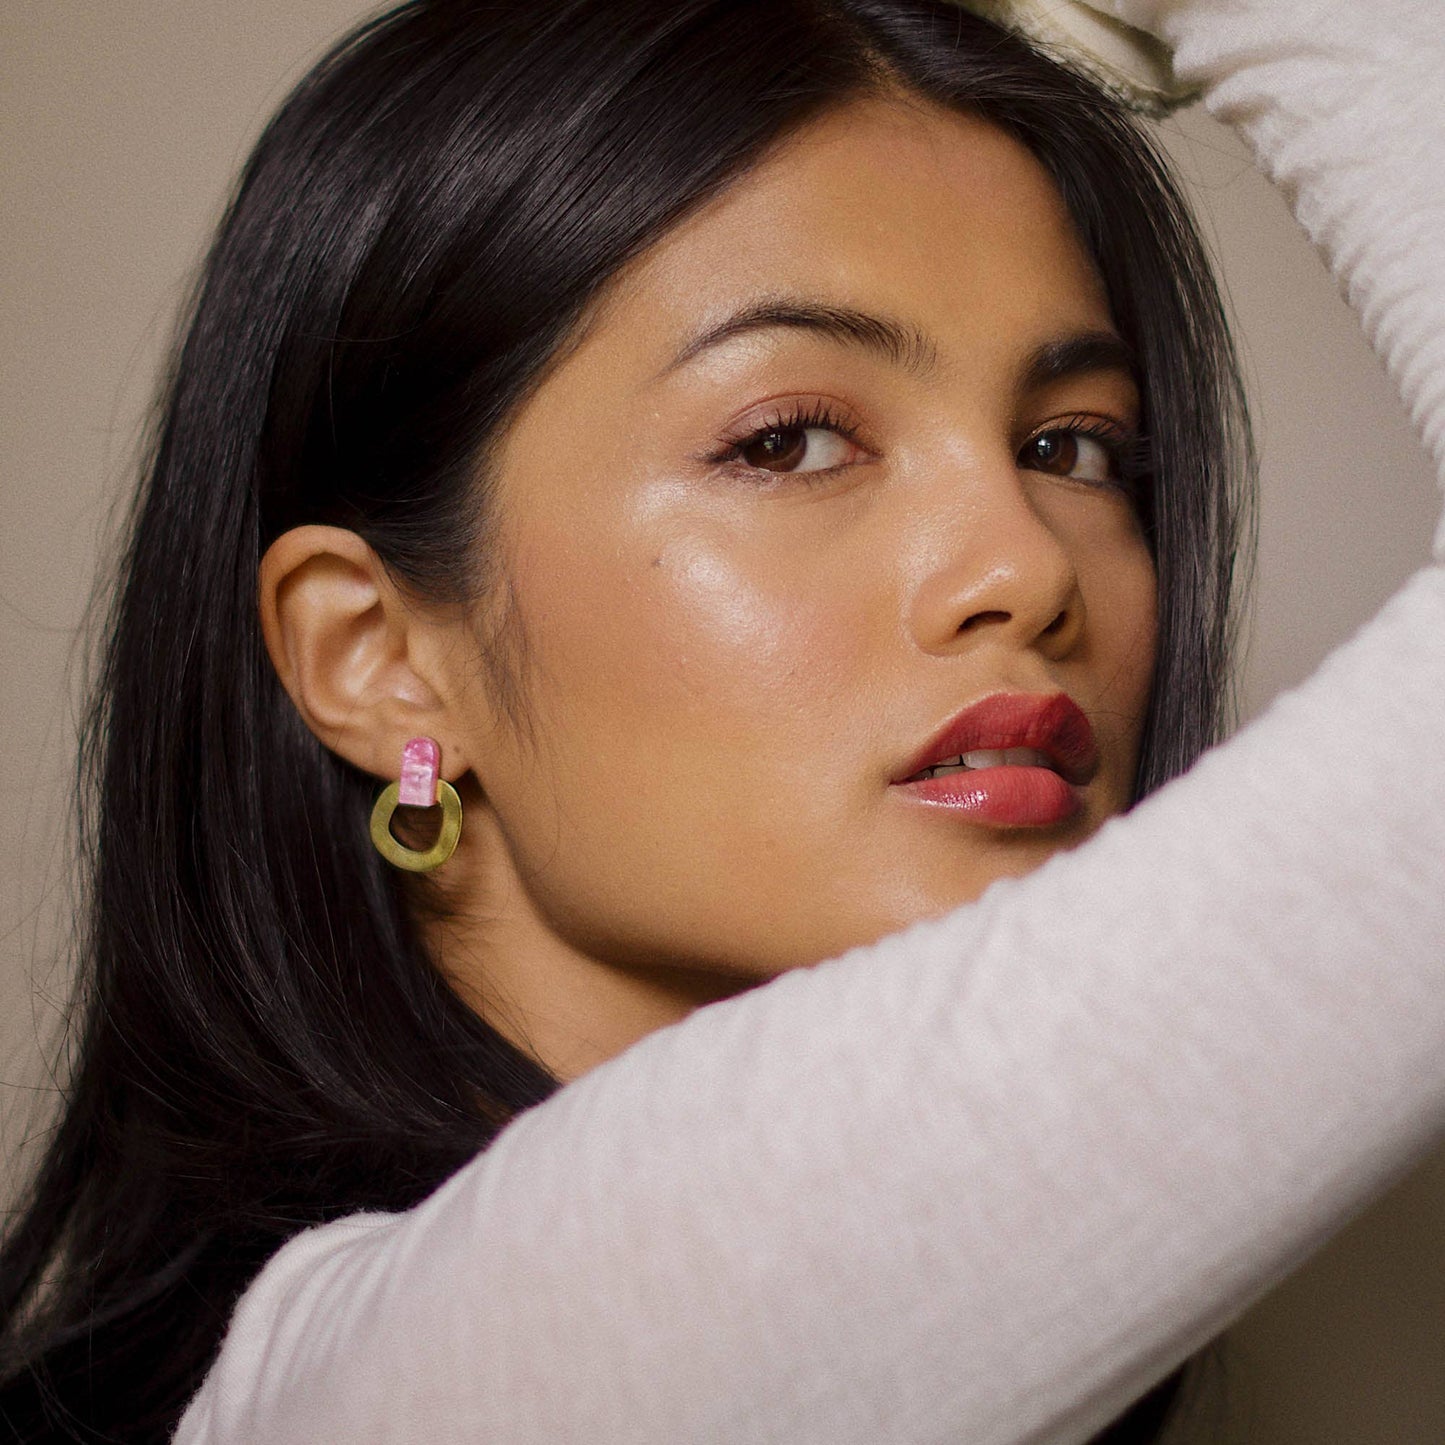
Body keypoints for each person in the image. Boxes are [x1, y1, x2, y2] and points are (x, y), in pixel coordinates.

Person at [1, 0, 1442, 1440]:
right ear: (378, 657)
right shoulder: (455, 1374)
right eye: (788, 439)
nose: (1025, 563)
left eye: (1072, 447)